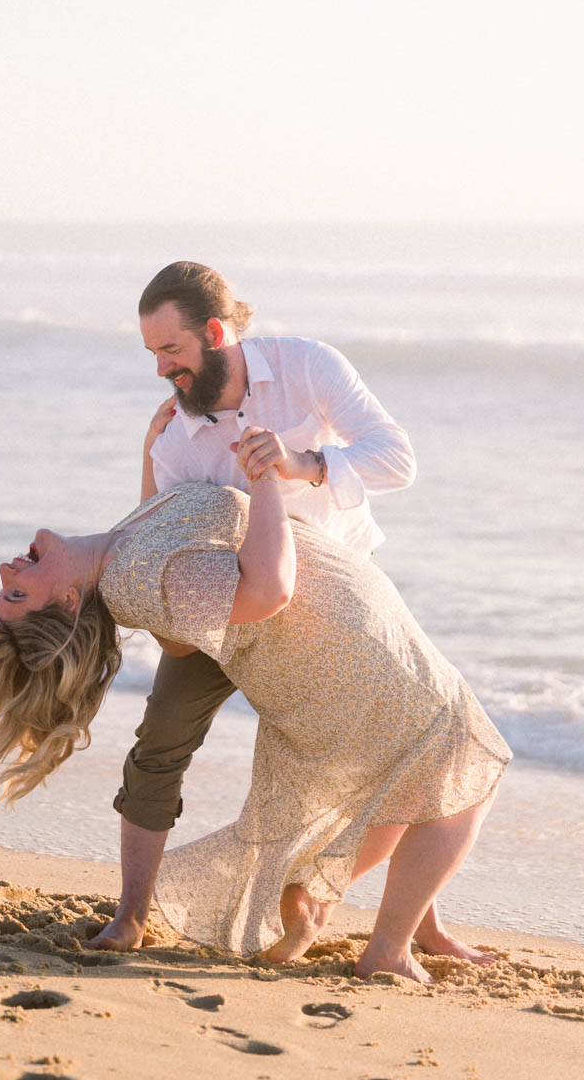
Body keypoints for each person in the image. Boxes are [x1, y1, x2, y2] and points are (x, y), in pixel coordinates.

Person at [0, 444, 510, 981]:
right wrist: (266, 476)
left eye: (6, 589)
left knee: (414, 773)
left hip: (342, 648)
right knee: (467, 762)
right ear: (68, 602)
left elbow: (183, 624)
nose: (6, 572)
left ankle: (351, 909)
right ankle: (386, 949)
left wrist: (154, 446)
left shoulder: (122, 558)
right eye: (16, 595)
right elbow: (268, 591)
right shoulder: (138, 578)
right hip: (347, 654)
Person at [99, 260, 419, 953]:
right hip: (231, 611)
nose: (161, 370)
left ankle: (421, 924)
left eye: (172, 351)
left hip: (331, 604)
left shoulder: (307, 366)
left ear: (215, 333)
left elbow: (397, 459)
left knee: (397, 746)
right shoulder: (174, 435)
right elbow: (161, 528)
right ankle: (130, 915)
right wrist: (149, 460)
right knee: (158, 745)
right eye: (153, 354)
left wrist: (301, 462)